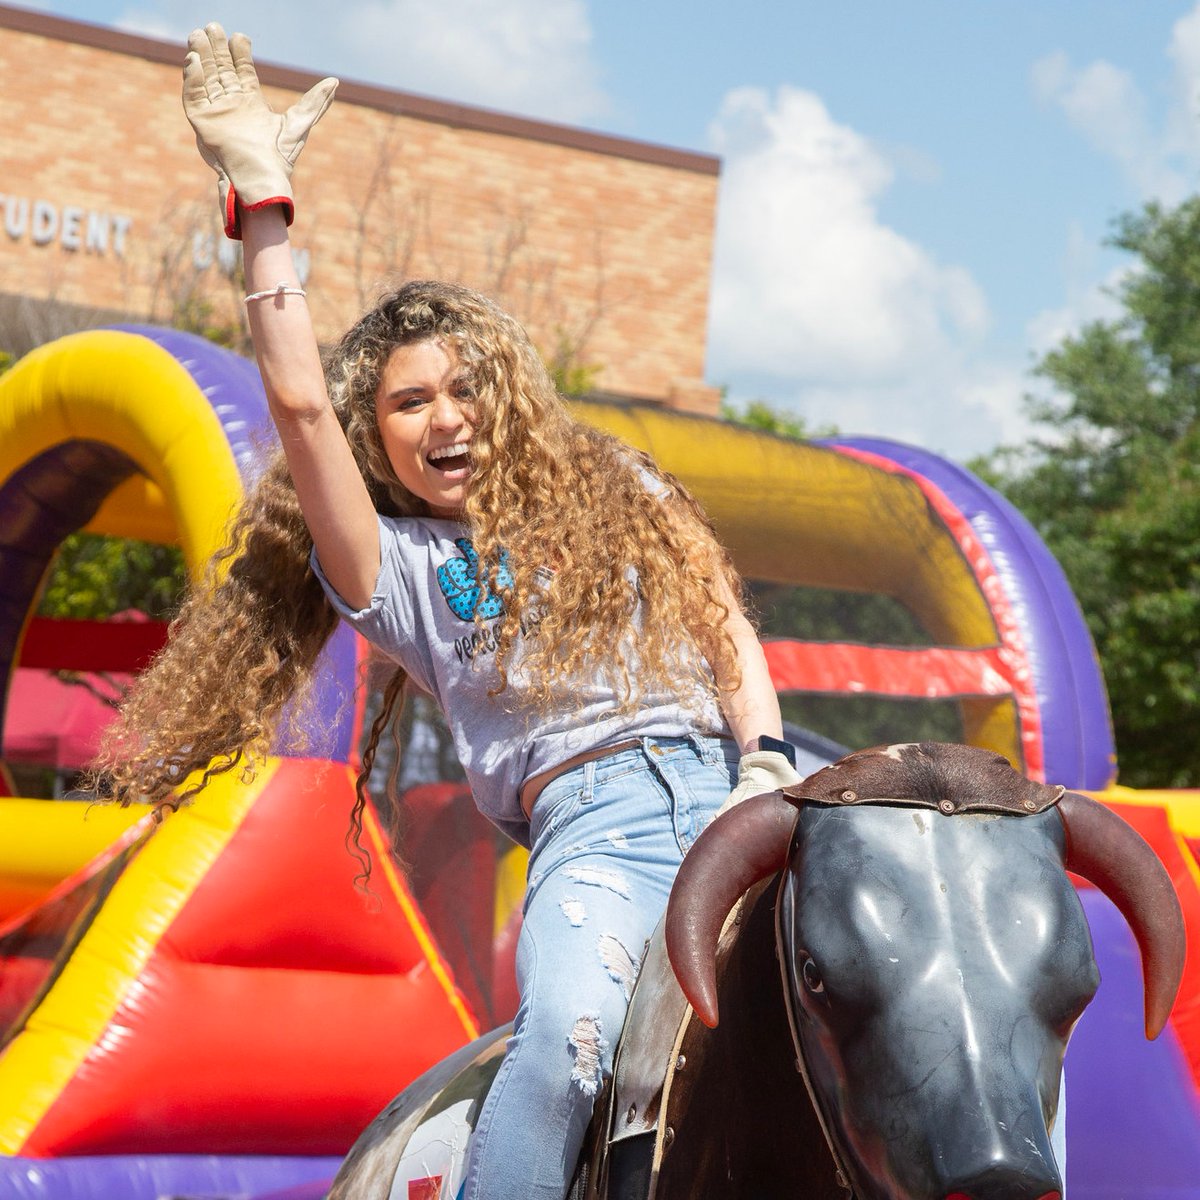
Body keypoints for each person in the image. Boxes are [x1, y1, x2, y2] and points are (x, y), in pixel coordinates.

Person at [100, 23, 801, 1199]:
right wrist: (261, 202)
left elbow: (725, 625)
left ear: (509, 398)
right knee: (571, 1049)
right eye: (408, 403)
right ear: (380, 441)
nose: (443, 417)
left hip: (753, 793)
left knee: (935, 970)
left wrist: (769, 764)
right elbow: (299, 405)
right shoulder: (401, 572)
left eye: (463, 387)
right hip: (602, 837)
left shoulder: (618, 486)